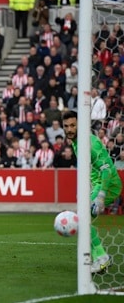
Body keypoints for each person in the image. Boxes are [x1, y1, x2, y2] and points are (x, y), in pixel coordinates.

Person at [62, 111, 122, 273]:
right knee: (82, 221)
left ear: (80, 125)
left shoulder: (89, 143)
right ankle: (97, 258)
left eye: (73, 125)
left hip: (108, 185)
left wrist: (101, 196)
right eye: (66, 126)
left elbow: (107, 171)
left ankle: (102, 257)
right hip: (97, 184)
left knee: (81, 219)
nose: (69, 129)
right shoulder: (76, 142)